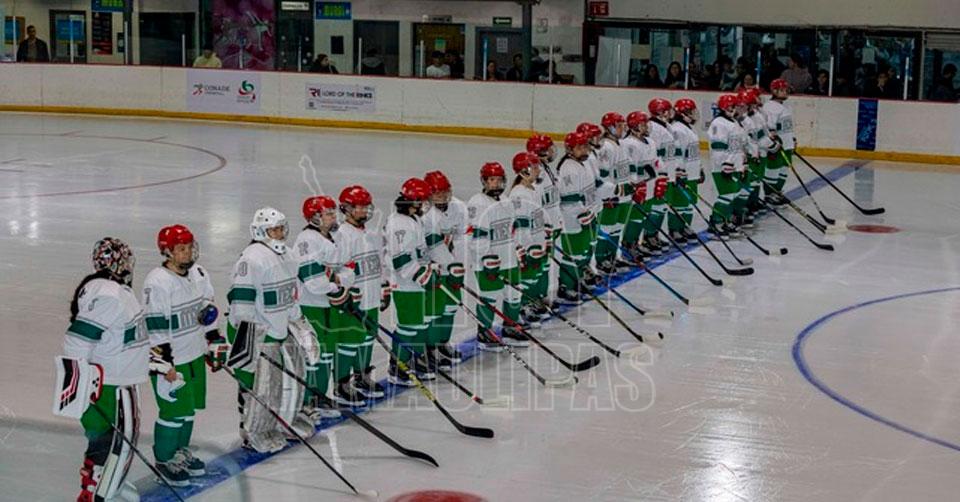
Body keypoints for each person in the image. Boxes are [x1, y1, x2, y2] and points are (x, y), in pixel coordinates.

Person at [57, 237, 145, 502]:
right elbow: (78, 339)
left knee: (122, 442)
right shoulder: (108, 293)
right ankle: (95, 493)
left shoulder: (114, 291)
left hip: (120, 382)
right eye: (125, 259)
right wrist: (82, 385)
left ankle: (112, 488)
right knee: (106, 443)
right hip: (108, 387)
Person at [226, 208, 315, 453]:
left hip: (280, 329)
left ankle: (284, 420)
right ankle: (252, 430)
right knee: (260, 387)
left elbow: (291, 294)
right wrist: (257, 338)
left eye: (280, 229)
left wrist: (300, 323)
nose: (279, 234)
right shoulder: (251, 259)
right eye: (273, 230)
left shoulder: (288, 254)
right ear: (259, 231)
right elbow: (242, 304)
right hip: (254, 333)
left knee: (289, 379)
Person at [143, 225, 221, 486]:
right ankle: (164, 459)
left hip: (195, 355)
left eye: (189, 247)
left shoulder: (198, 273)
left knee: (188, 412)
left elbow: (208, 310)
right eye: (180, 249)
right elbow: (155, 328)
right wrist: (164, 364)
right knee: (173, 412)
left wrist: (214, 341)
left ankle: (180, 452)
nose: (187, 253)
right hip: (172, 362)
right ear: (167, 252)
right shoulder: (157, 282)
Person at [329, 186, 388, 405]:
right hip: (353, 301)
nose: (364, 211)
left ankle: (362, 376)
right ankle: (341, 384)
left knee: (366, 340)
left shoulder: (371, 235)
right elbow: (336, 270)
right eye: (358, 207)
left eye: (366, 206)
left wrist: (384, 288)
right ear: (346, 209)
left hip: (371, 298)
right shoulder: (341, 235)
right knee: (348, 343)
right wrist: (345, 293)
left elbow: (379, 264)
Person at [293, 196, 345, 421]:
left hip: (326, 306)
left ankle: (319, 395)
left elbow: (347, 270)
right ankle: (306, 401)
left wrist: (340, 284)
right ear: (315, 218)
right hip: (311, 306)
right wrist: (336, 287)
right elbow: (312, 281)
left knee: (325, 354)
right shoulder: (307, 240)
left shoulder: (331, 238)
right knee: (313, 355)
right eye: (328, 214)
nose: (333, 217)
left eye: (334, 213)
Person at [467, 162, 526, 348]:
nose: (496, 184)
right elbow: (475, 235)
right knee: (490, 296)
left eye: (499, 180)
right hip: (487, 262)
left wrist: (517, 248)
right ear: (484, 181)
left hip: (508, 258)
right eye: (492, 180)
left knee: (514, 294)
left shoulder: (506, 201)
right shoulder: (477, 203)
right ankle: (485, 331)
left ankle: (510, 327)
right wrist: (486, 257)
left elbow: (512, 229)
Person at [385, 178, 437, 384]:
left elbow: (418, 252)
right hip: (404, 283)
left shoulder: (413, 219)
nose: (423, 205)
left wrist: (430, 266)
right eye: (420, 201)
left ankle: (414, 360)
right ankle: (397, 367)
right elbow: (401, 260)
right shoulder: (399, 223)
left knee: (417, 325)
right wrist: (423, 275)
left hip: (414, 282)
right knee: (407, 326)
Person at [421, 170, 468, 368]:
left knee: (450, 308)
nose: (441, 197)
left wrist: (460, 265)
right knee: (434, 311)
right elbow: (433, 247)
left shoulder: (459, 207)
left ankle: (443, 342)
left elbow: (464, 238)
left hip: (454, 267)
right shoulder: (426, 216)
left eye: (444, 192)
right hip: (435, 271)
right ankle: (430, 348)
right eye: (436, 194)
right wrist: (450, 266)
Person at [508, 151, 550, 327]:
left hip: (536, 241)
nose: (538, 169)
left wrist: (545, 235)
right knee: (526, 277)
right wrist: (524, 247)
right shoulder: (519, 194)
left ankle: (530, 302)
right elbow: (520, 225)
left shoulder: (532, 189)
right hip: (526, 243)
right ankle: (523, 307)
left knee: (534, 276)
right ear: (523, 170)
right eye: (533, 167)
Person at [555, 132, 598, 304]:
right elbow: (569, 199)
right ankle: (566, 286)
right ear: (570, 149)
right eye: (579, 147)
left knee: (584, 251)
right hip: (572, 220)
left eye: (585, 146)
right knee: (573, 254)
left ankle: (577, 280)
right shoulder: (569, 168)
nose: (584, 150)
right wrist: (581, 213)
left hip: (587, 215)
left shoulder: (585, 163)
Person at [594, 112, 631, 275]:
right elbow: (602, 176)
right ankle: (601, 259)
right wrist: (607, 193)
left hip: (623, 193)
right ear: (609, 127)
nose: (622, 128)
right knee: (607, 227)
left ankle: (612, 256)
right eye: (619, 125)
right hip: (611, 195)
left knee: (617, 227)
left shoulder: (620, 144)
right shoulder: (606, 147)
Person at [707, 94, 749, 235]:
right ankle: (716, 223)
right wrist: (725, 164)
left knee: (733, 194)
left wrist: (742, 163)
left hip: (735, 165)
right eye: (730, 106)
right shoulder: (719, 123)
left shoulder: (734, 122)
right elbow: (718, 146)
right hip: (723, 167)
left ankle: (725, 220)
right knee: (726, 195)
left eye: (734, 106)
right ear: (723, 107)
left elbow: (738, 146)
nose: (733, 109)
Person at [619, 111, 658, 257]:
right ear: (634, 126)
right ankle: (628, 244)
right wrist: (635, 185)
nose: (647, 126)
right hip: (638, 187)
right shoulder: (629, 144)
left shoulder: (650, 142)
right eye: (643, 124)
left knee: (643, 216)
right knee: (635, 216)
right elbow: (630, 168)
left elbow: (655, 163)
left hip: (648, 185)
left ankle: (635, 242)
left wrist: (661, 176)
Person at [644, 98, 676, 254]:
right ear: (660, 112)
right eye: (667, 110)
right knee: (656, 207)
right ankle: (648, 236)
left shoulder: (667, 126)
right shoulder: (654, 128)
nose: (671, 113)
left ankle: (654, 234)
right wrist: (660, 175)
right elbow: (653, 155)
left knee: (662, 207)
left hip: (668, 173)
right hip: (659, 175)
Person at [667, 98, 702, 242]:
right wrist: (678, 172)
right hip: (684, 173)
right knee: (679, 203)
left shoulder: (688, 128)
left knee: (690, 202)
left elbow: (693, 151)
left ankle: (685, 226)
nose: (694, 114)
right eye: (691, 111)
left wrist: (700, 169)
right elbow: (677, 153)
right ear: (682, 113)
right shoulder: (677, 129)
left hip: (692, 172)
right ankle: (675, 228)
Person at [762, 78, 796, 205]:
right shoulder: (770, 107)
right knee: (773, 170)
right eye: (782, 90)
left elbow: (787, 126)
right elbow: (769, 128)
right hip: (777, 146)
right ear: (774, 91)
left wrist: (793, 139)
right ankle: (769, 194)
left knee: (784, 169)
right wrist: (773, 143)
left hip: (787, 144)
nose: (785, 92)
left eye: (786, 90)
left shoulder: (785, 106)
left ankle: (777, 191)